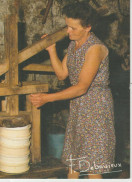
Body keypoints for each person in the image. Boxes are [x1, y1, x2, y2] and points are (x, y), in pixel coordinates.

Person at [28, 2, 116, 179]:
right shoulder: (74, 44)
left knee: (93, 165)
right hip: (78, 107)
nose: (68, 31)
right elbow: (61, 74)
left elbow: (82, 87)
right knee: (73, 161)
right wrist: (52, 50)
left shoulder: (95, 49)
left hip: (95, 109)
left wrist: (47, 98)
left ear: (87, 27)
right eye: (67, 26)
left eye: (72, 27)